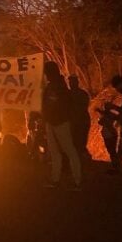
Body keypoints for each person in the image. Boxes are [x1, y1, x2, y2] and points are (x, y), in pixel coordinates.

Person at [42, 61, 82, 190]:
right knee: (55, 153)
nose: (45, 75)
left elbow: (62, 105)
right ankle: (55, 179)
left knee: (69, 151)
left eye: (46, 73)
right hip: (51, 122)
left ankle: (77, 181)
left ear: (50, 73)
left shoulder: (60, 87)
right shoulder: (50, 87)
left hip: (60, 123)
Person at [68, 75, 92, 163]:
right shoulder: (70, 94)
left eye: (72, 82)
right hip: (77, 121)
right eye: (70, 82)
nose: (71, 84)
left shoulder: (80, 94)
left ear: (76, 82)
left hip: (80, 121)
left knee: (80, 142)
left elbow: (83, 107)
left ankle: (82, 159)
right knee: (78, 142)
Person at [96, 107, 120, 173]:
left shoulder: (105, 118)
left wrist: (100, 113)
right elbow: (118, 117)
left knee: (111, 151)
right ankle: (116, 166)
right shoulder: (111, 115)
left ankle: (116, 167)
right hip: (112, 135)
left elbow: (100, 122)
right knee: (113, 151)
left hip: (109, 136)